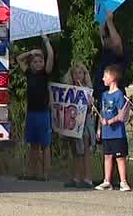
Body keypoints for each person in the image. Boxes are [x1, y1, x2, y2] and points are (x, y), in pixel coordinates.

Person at [16, 35, 54, 181]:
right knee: (33, 145)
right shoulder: (29, 73)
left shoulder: (45, 74)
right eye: (35, 62)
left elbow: (50, 54)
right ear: (31, 64)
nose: (38, 64)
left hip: (43, 113)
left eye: (40, 61)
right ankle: (33, 172)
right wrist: (31, 52)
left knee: (45, 145)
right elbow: (19, 58)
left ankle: (45, 173)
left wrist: (46, 41)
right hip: (31, 113)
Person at [94, 65, 131, 192]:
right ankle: (107, 180)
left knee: (120, 157)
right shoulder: (104, 95)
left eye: (106, 76)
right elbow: (102, 113)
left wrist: (109, 121)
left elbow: (121, 115)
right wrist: (99, 128)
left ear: (113, 78)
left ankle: (123, 181)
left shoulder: (119, 94)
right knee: (107, 156)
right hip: (106, 133)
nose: (103, 78)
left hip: (117, 133)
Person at [62, 61, 95, 189]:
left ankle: (87, 178)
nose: (77, 75)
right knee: (75, 151)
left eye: (80, 73)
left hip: (85, 122)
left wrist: (90, 101)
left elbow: (91, 107)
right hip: (73, 124)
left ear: (84, 74)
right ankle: (76, 177)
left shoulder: (87, 89)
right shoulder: (68, 90)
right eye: (75, 73)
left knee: (86, 151)